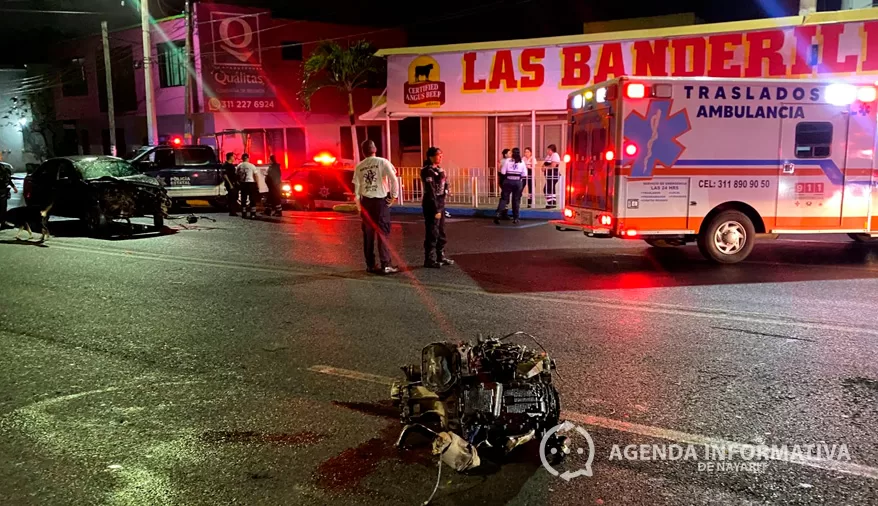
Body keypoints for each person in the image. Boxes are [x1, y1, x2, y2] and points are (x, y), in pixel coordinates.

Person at [354, 139, 400, 275]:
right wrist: (393, 196)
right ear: (375, 149)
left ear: (363, 152)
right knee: (383, 233)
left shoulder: (359, 166)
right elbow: (394, 179)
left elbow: (356, 190)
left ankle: (370, 265)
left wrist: (359, 207)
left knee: (368, 235)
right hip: (380, 202)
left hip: (366, 202)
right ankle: (386, 264)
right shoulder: (382, 162)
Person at [421, 147, 455, 269]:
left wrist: (447, 190)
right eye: (438, 155)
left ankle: (441, 255)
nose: (440, 157)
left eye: (441, 155)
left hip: (440, 203)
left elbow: (445, 183)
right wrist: (435, 209)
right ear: (431, 157)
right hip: (432, 204)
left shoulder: (439, 169)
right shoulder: (427, 171)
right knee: (432, 231)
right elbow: (430, 191)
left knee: (441, 231)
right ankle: (429, 259)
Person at [494, 147, 527, 224]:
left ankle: (498, 214)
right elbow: (525, 174)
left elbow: (503, 172)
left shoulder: (508, 160)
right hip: (517, 182)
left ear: (512, 153)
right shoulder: (522, 162)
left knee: (504, 199)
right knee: (516, 200)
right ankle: (516, 218)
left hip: (508, 181)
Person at [236, 153, 259, 219]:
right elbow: (256, 176)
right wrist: (257, 184)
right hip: (251, 183)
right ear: (248, 158)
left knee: (243, 198)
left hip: (243, 184)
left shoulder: (239, 166)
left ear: (242, 158)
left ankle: (244, 213)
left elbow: (237, 175)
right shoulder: (252, 166)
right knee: (252, 198)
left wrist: (238, 182)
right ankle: (253, 214)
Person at [543, 144, 561, 209]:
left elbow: (553, 165)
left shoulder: (555, 155)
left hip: (554, 175)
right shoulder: (548, 156)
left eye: (548, 150)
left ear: (552, 150)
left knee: (547, 189)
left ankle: (551, 203)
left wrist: (546, 167)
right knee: (550, 188)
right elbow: (543, 165)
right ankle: (552, 203)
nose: (547, 151)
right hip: (548, 175)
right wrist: (544, 167)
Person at [0, 162, 18, 226]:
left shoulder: (4, 173)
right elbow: (8, 180)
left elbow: (8, 180)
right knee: (3, 207)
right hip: (2, 192)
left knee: (3, 207)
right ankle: (3, 222)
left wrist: (14, 187)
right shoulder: (4, 173)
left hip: (3, 192)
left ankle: (3, 222)